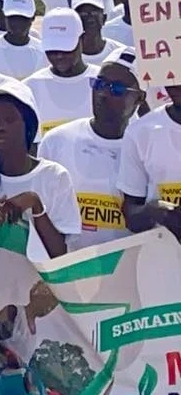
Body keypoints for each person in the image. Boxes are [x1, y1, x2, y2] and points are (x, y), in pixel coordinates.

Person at [38, 50, 142, 251]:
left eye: (117, 89)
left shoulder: (144, 148)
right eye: (99, 84)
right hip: (69, 272)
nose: (103, 94)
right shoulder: (57, 141)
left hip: (128, 271)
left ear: (139, 98)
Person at [0, 82, 82, 261]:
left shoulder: (54, 176)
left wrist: (35, 204)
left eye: (9, 119)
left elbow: (59, 254)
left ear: (28, 127)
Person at [117, 81, 181, 239]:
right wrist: (154, 210)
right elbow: (132, 217)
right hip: (164, 255)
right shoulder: (140, 132)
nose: (173, 84)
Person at [22, 8, 99, 135]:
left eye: (66, 48)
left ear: (82, 39)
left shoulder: (103, 83)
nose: (59, 56)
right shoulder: (29, 88)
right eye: (52, 49)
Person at [0, 0, 47, 81]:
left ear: (33, 17)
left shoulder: (42, 51)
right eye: (12, 18)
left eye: (23, 18)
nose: (17, 23)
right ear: (4, 16)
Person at [73, 0, 124, 66]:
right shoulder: (63, 58)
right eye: (83, 14)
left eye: (94, 13)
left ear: (104, 18)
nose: (89, 18)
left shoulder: (119, 52)